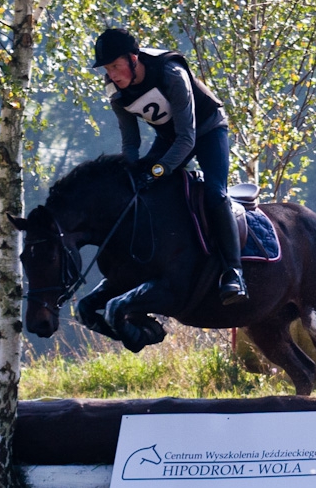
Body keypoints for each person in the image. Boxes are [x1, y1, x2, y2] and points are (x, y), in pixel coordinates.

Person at [91, 27, 248, 305]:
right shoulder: (114, 91)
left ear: (133, 58)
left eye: (116, 66)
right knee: (140, 190)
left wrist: (158, 171)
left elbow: (188, 138)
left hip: (208, 130)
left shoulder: (170, 73)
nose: (113, 75)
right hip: (170, 138)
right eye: (107, 68)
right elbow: (130, 143)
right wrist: (132, 175)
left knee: (214, 192)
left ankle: (234, 272)